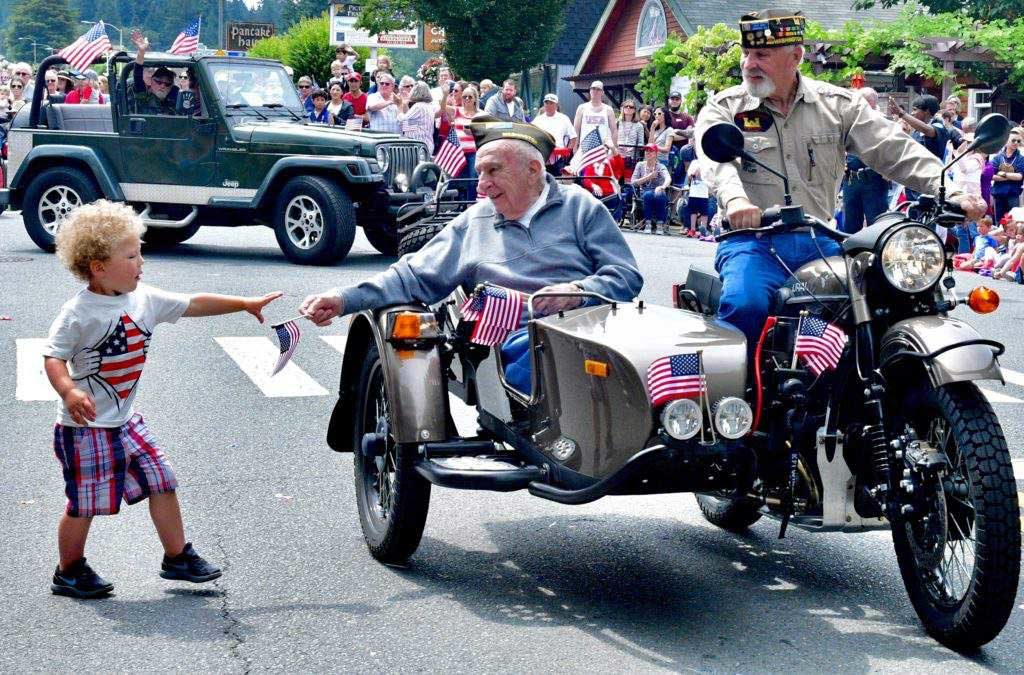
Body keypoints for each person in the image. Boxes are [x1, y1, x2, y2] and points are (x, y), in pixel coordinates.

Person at [696, 9, 986, 354]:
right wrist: (736, 201)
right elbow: (718, 161)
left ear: (796, 56)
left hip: (821, 241)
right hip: (754, 242)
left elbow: (892, 149)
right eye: (746, 54)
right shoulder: (726, 107)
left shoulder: (837, 105)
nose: (749, 63)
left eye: (761, 54)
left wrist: (951, 191)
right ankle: (735, 405)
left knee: (880, 305)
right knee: (746, 305)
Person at [298, 117, 643, 394]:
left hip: (593, 328)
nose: (481, 185)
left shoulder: (581, 207)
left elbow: (626, 276)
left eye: (493, 171)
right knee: (545, 352)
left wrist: (578, 293)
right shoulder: (474, 221)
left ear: (534, 171)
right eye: (479, 172)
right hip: (522, 338)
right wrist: (344, 299)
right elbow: (413, 276)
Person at [42, 200, 281, 598]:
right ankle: (68, 569)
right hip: (85, 428)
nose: (141, 263)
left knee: (162, 480)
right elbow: (53, 357)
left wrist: (243, 304)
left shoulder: (144, 300)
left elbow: (193, 303)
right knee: (84, 503)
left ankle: (177, 557)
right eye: (131, 255)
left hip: (125, 420)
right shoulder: (78, 313)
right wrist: (68, 389)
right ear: (98, 266)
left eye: (140, 253)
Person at [840, 87, 889, 233]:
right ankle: (851, 255)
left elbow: (889, 149)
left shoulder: (882, 121)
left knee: (876, 224)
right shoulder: (849, 119)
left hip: (873, 178)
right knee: (850, 225)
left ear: (872, 103)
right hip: (851, 179)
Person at [130, 31, 177, 114]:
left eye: (167, 84)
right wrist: (141, 52)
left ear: (171, 86)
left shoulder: (175, 102)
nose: (162, 86)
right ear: (151, 81)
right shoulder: (144, 97)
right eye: (159, 82)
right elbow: (138, 76)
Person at [630, 143, 672, 234]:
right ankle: (648, 224)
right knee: (648, 195)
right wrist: (648, 177)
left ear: (656, 153)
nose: (648, 153)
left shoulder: (660, 166)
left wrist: (662, 186)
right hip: (644, 192)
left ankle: (660, 225)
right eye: (646, 151)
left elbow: (668, 178)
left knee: (660, 194)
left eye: (651, 151)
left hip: (657, 190)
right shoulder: (640, 165)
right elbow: (633, 182)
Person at [531, 93, 577, 174]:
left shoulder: (563, 118)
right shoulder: (538, 120)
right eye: (546, 103)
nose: (548, 105)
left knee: (559, 183)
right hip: (542, 157)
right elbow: (531, 135)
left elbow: (573, 137)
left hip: (558, 158)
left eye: (551, 103)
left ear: (556, 105)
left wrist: (568, 152)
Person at [990, 127, 1024, 224]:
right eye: (1013, 140)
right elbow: (992, 176)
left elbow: (1020, 176)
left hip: (1013, 194)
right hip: (999, 194)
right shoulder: (997, 157)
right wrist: (1011, 177)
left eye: (1018, 141)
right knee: (999, 222)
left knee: (1013, 222)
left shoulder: (1021, 158)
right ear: (1006, 140)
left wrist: (1004, 174)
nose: (1016, 143)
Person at [573, 81, 617, 154]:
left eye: (598, 89)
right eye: (593, 88)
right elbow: (576, 129)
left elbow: (614, 131)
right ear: (590, 90)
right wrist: (575, 147)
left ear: (602, 92)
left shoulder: (608, 109)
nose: (595, 91)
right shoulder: (582, 108)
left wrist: (613, 148)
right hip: (585, 149)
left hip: (604, 149)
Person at [397, 81, 436, 154]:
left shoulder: (418, 106)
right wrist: (405, 104)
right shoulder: (428, 106)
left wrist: (399, 106)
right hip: (426, 144)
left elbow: (402, 119)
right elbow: (409, 123)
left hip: (418, 145)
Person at [617, 99, 646, 172]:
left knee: (629, 180)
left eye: (631, 107)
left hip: (632, 158)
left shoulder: (639, 125)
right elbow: (611, 139)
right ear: (622, 109)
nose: (628, 108)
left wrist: (632, 148)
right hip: (617, 156)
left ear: (634, 110)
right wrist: (618, 146)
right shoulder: (617, 123)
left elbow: (641, 144)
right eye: (626, 106)